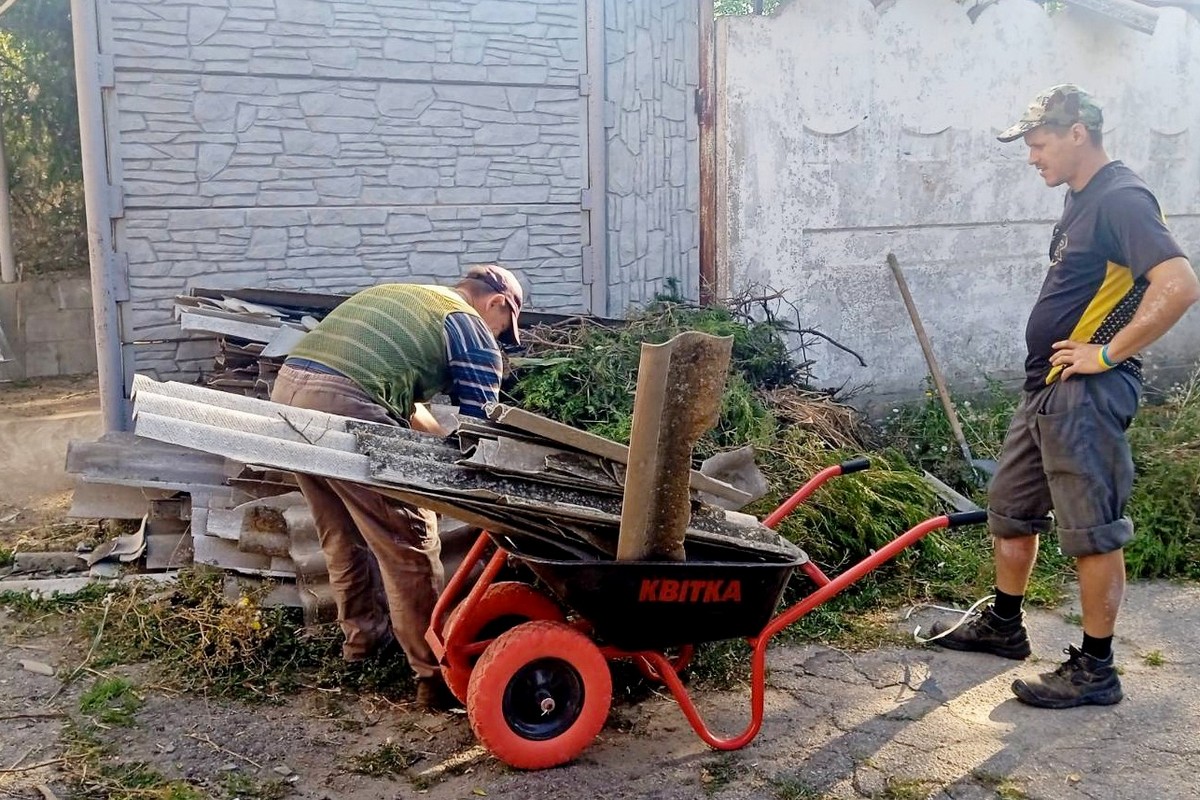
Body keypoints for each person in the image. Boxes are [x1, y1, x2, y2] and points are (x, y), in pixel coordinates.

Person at [928, 85, 1199, 708]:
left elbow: (1180, 285)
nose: (1031, 158)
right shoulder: (1081, 201)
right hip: (1047, 390)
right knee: (1011, 509)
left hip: (1087, 394)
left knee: (1091, 529)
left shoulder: (1122, 199)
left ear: (1078, 133)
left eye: (1039, 144)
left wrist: (1105, 354)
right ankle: (1004, 625)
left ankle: (1096, 669)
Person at [270, 264, 524, 711]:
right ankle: (435, 677)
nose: (500, 339)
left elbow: (410, 411)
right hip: (345, 400)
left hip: (290, 395)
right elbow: (481, 430)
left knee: (341, 534)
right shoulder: (471, 328)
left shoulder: (412, 298)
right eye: (505, 329)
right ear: (497, 304)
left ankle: (364, 646)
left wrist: (438, 451)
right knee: (408, 537)